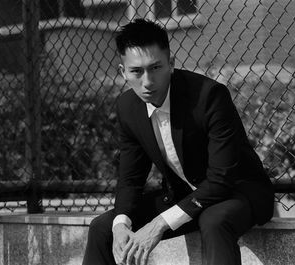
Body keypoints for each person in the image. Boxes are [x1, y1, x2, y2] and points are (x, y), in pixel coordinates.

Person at [82, 18, 274, 265]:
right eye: (136, 71)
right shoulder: (128, 108)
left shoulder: (209, 96)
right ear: (123, 72)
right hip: (184, 197)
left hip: (237, 192)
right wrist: (121, 224)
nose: (147, 81)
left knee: (213, 220)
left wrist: (158, 225)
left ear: (171, 64)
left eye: (155, 68)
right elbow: (130, 177)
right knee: (103, 227)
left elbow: (221, 179)